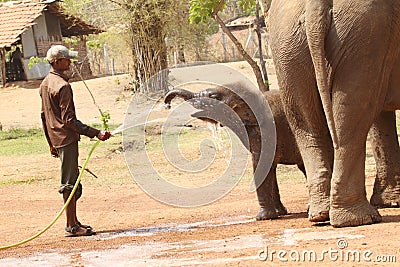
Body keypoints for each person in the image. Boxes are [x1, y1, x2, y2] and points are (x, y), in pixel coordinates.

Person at [40, 45, 111, 237]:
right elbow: (69, 120)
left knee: (71, 180)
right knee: (69, 184)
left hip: (57, 139)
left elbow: (43, 117)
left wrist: (51, 143)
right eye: (66, 60)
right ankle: (71, 226)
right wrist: (96, 133)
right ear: (57, 62)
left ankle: (74, 221)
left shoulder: (45, 83)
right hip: (66, 139)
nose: (69, 62)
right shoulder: (63, 86)